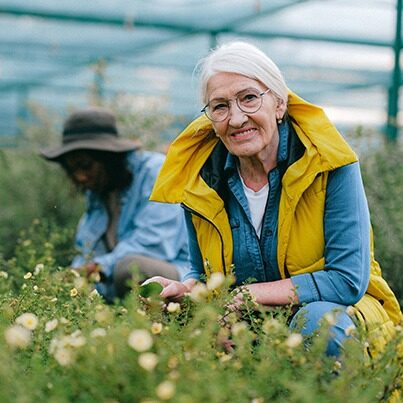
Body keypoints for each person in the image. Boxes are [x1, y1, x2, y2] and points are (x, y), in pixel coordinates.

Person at [145, 41, 401, 356]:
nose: (236, 119)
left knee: (317, 323)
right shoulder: (200, 181)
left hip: (342, 315)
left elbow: (347, 280)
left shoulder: (330, 166)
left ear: (279, 104)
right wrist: (183, 292)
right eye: (220, 106)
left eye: (249, 98)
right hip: (248, 319)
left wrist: (247, 296)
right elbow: (201, 274)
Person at [41, 106, 189, 302]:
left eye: (85, 165)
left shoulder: (156, 172)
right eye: (72, 169)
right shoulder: (99, 191)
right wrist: (69, 277)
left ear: (108, 157)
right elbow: (87, 251)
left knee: (131, 269)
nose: (80, 176)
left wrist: (96, 269)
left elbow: (154, 244)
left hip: (179, 276)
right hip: (122, 278)